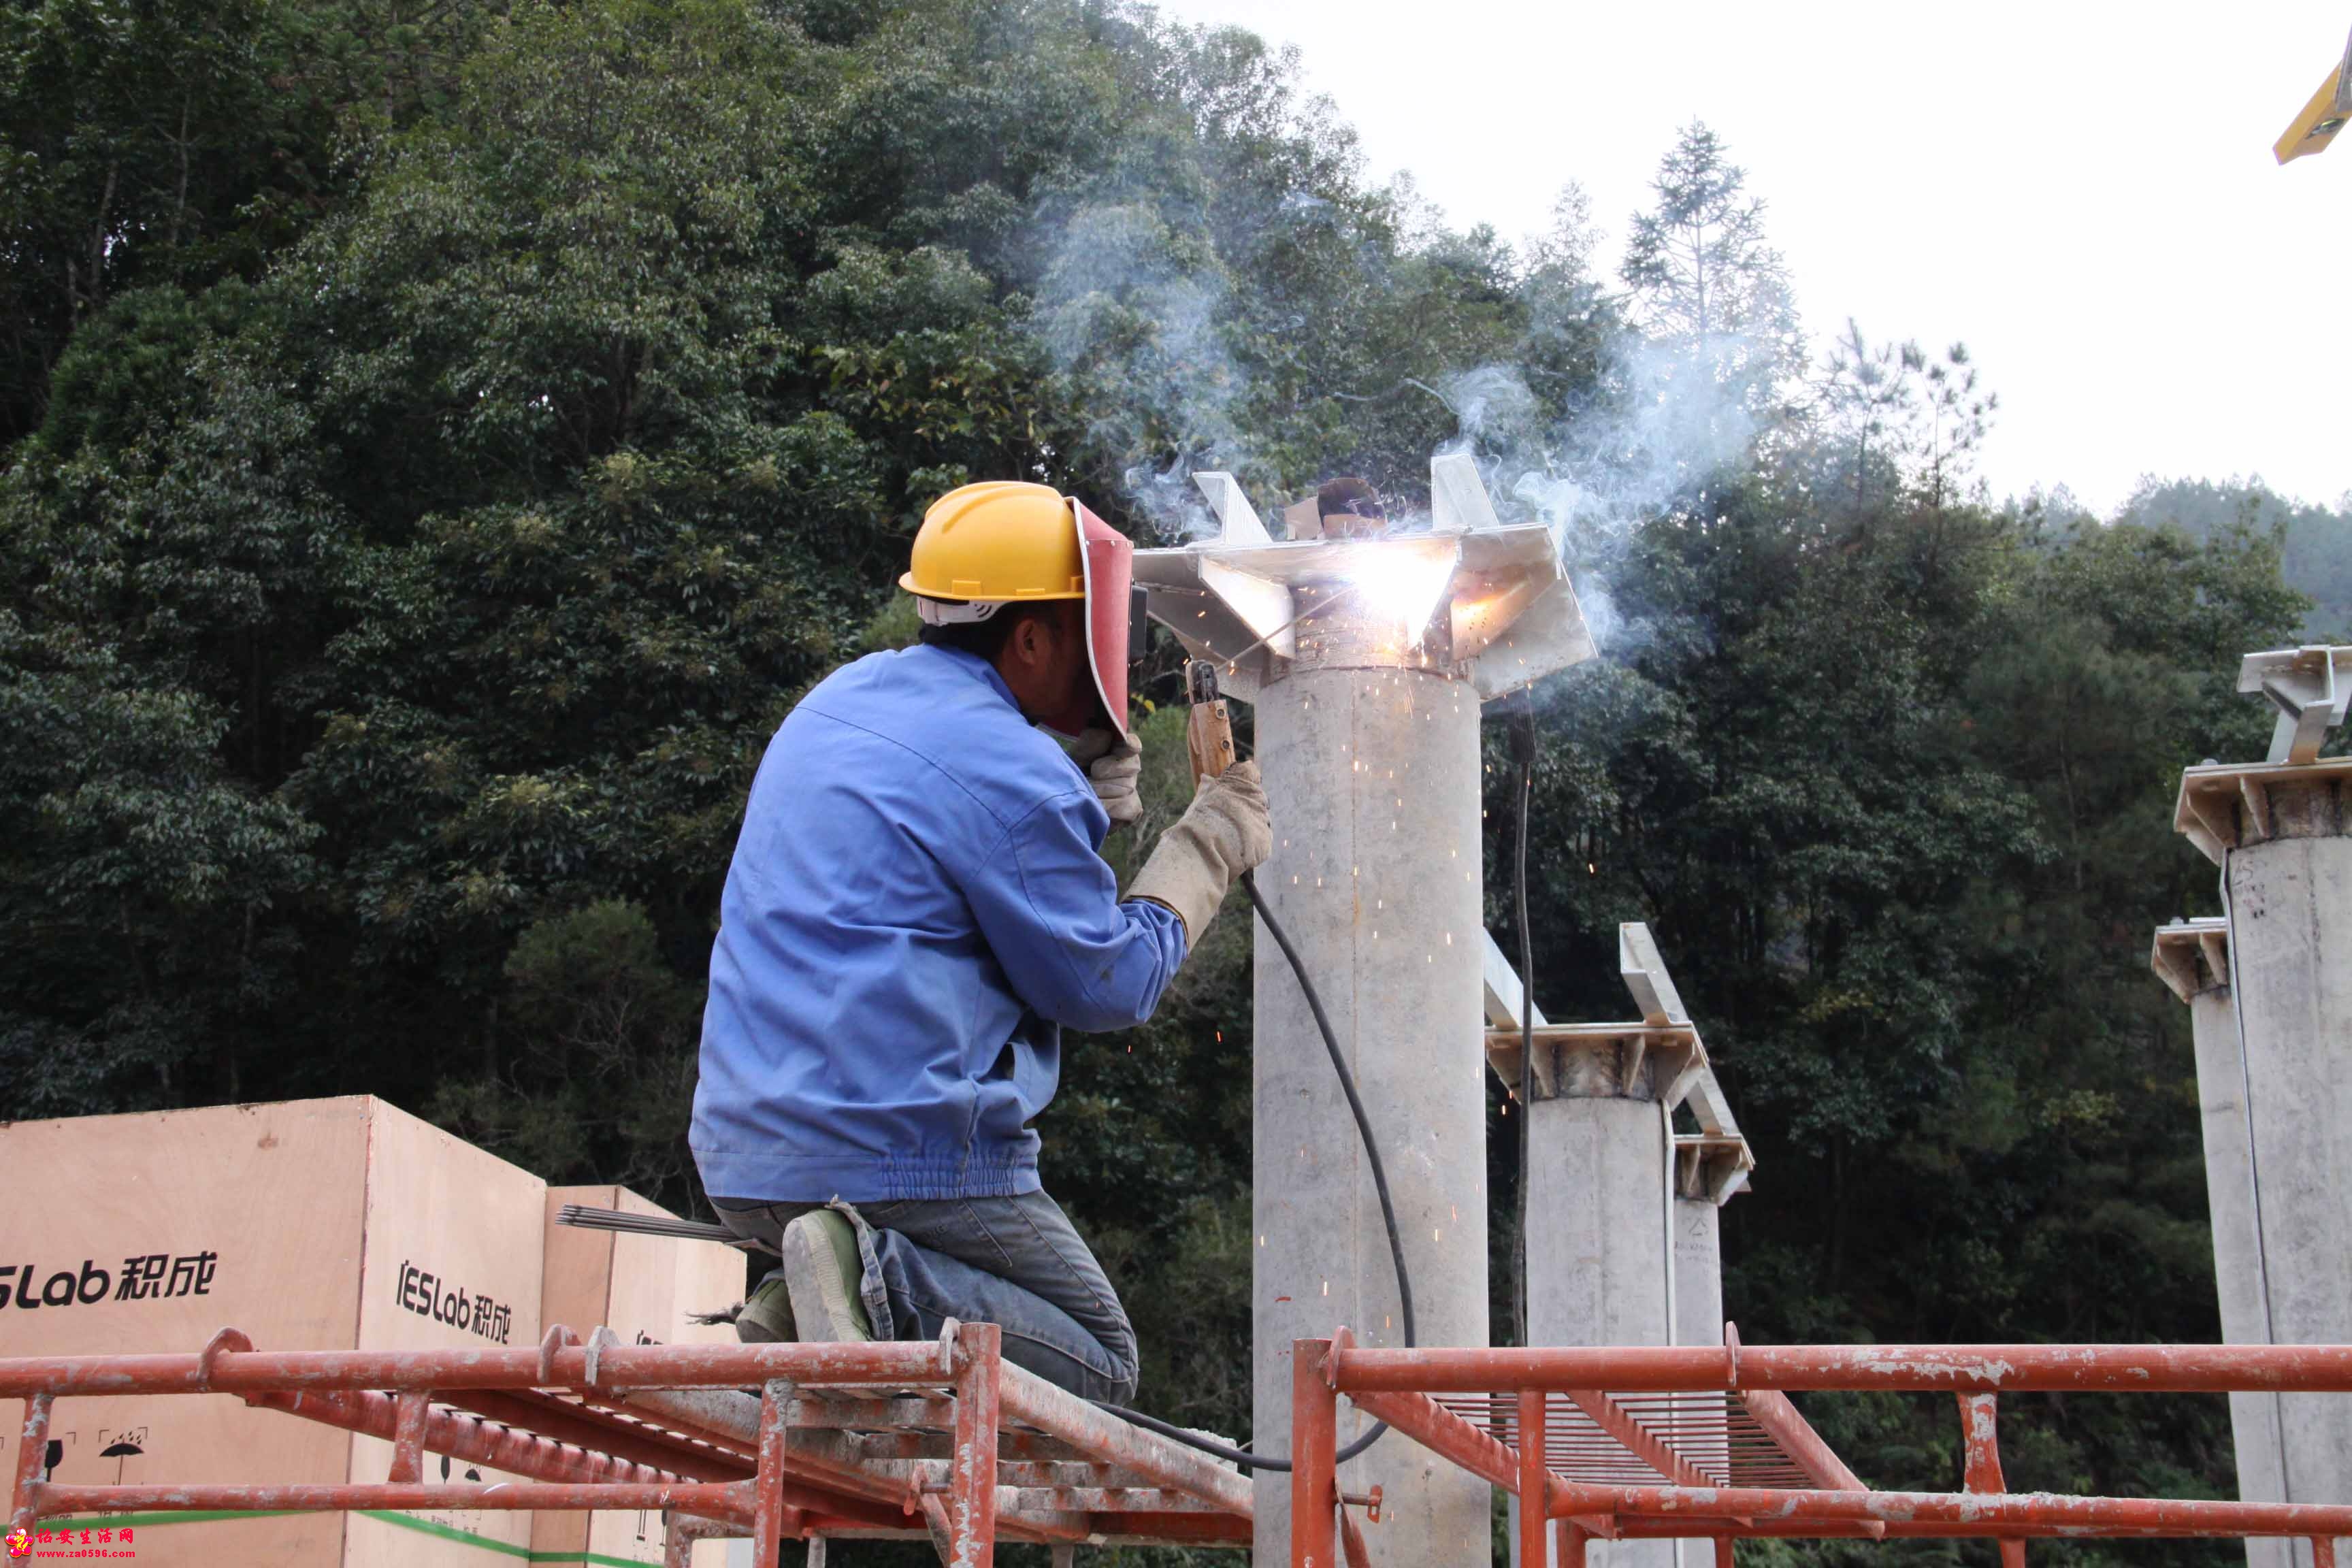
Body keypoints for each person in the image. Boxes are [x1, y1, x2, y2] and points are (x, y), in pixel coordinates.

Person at [689, 480, 1272, 1403]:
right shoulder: (1012, 770)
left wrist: (1070, 791)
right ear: (1032, 638)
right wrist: (1209, 844)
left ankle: (799, 1299)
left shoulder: (838, 700)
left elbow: (937, 849)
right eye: (1086, 629)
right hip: (893, 1153)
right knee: (1103, 1359)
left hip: (743, 1152)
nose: (1103, 657)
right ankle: (871, 1279)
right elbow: (1105, 984)